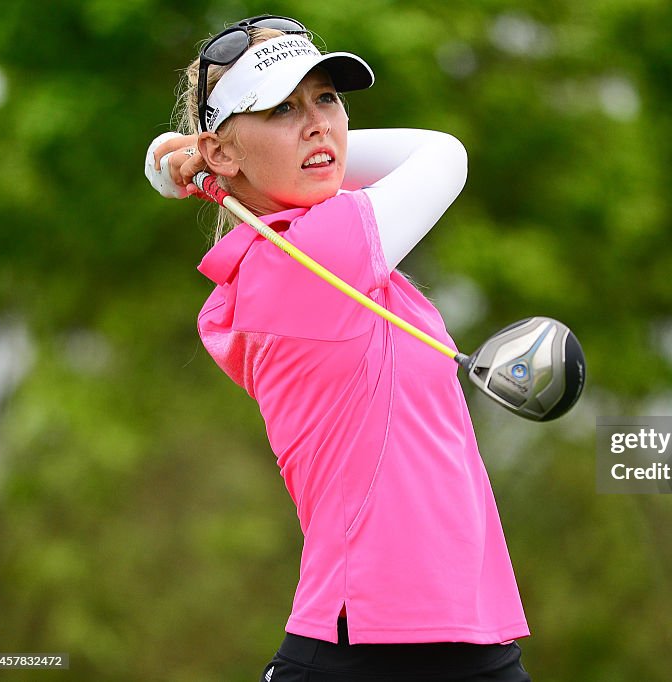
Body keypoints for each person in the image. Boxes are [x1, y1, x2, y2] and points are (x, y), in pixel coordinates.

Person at [143, 15, 532, 682]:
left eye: (327, 98)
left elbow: (194, 157)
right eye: (282, 107)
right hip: (366, 646)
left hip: (470, 632)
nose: (319, 123)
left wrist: (196, 158)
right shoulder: (310, 257)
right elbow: (443, 154)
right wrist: (196, 157)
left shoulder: (317, 254)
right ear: (223, 153)